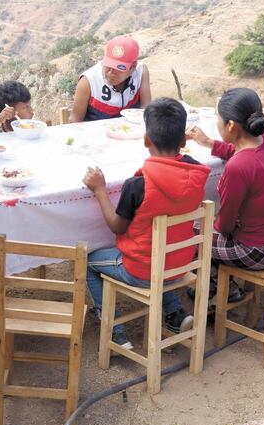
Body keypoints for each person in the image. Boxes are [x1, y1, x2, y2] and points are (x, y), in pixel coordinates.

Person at [82, 97, 209, 347]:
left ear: (146, 140)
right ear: (184, 141)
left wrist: (100, 190)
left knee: (88, 261)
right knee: (159, 254)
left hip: (141, 269)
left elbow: (116, 226)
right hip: (180, 264)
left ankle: (115, 330)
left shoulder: (138, 184)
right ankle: (175, 313)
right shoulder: (197, 173)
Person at [187, 88, 264, 300]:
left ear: (230, 125)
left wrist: (210, 222)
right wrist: (209, 143)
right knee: (204, 222)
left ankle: (221, 289)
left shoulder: (238, 167)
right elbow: (238, 151)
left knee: (187, 229)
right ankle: (218, 285)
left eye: (218, 119)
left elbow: (225, 225)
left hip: (254, 251)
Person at [70, 35, 152, 122]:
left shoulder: (141, 72)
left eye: (118, 68)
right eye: (108, 66)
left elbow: (146, 109)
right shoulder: (88, 81)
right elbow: (75, 120)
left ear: (133, 67)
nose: (110, 73)